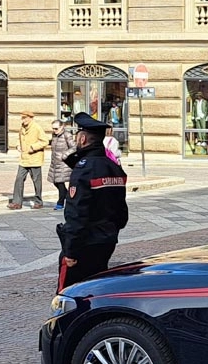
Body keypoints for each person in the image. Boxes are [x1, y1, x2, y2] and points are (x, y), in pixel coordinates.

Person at [56, 113, 129, 290]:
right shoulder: (113, 167)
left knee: (68, 293)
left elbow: (76, 214)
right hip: (107, 241)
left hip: (84, 243)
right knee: (95, 289)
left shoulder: (84, 169)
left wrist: (70, 251)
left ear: (82, 138)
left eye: (77, 137)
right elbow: (122, 213)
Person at [9, 111, 48, 210]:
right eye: (22, 118)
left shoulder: (37, 127)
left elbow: (45, 141)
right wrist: (18, 145)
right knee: (19, 179)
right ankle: (17, 202)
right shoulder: (22, 128)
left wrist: (33, 147)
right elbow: (19, 138)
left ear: (31, 118)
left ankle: (38, 201)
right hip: (24, 159)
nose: (23, 120)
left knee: (36, 181)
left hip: (34, 158)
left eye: (25, 118)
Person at [47, 120, 76, 210]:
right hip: (55, 163)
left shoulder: (67, 135)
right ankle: (69, 197)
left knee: (59, 182)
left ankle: (60, 203)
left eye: (56, 128)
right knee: (55, 181)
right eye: (53, 128)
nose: (54, 130)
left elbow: (74, 147)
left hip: (63, 163)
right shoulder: (54, 135)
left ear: (62, 127)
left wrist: (65, 154)